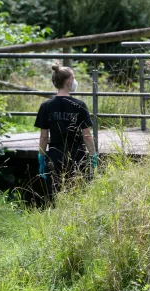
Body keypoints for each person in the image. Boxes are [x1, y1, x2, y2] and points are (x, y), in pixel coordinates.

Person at [34, 63, 98, 206]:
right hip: (77, 156)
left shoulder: (46, 106)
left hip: (55, 156)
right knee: (79, 195)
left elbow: (44, 136)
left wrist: (41, 158)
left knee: (55, 196)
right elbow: (87, 136)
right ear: (69, 82)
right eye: (73, 78)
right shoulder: (79, 105)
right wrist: (93, 156)